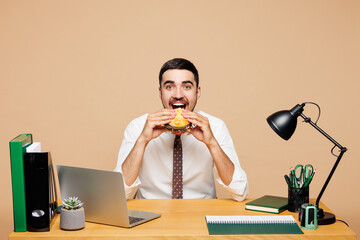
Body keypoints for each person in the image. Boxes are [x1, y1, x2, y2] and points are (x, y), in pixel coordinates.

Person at [114, 58, 248, 201]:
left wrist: (212, 143)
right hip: (151, 214)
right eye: (169, 87)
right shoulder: (138, 126)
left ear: (198, 92)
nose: (178, 95)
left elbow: (239, 192)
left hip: (199, 214)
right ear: (160, 92)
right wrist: (142, 140)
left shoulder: (215, 126)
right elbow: (119, 195)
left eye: (187, 87)